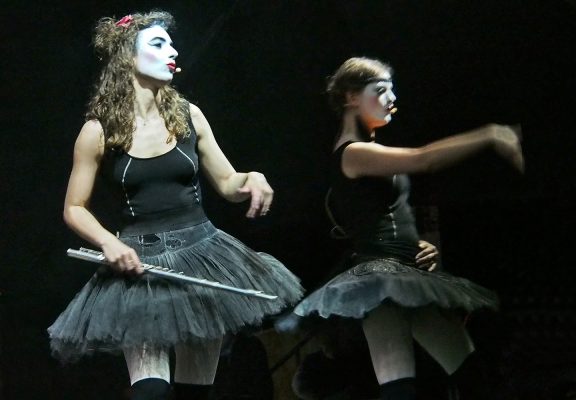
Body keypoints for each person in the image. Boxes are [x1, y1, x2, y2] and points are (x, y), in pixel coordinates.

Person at [47, 11, 303, 400]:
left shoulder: (189, 116)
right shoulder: (98, 131)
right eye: (158, 43)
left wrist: (250, 179)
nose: (173, 51)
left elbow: (227, 183)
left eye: (171, 43)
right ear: (128, 59)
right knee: (151, 391)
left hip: (202, 252)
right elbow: (75, 208)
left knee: (195, 393)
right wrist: (108, 242)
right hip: (141, 263)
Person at [284, 57, 523, 400]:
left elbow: (387, 214)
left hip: (406, 272)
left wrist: (418, 245)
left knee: (472, 376)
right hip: (380, 281)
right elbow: (422, 158)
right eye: (380, 90)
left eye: (392, 90)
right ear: (351, 97)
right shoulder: (353, 153)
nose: (391, 98)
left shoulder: (371, 149)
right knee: (402, 389)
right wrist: (490, 134)